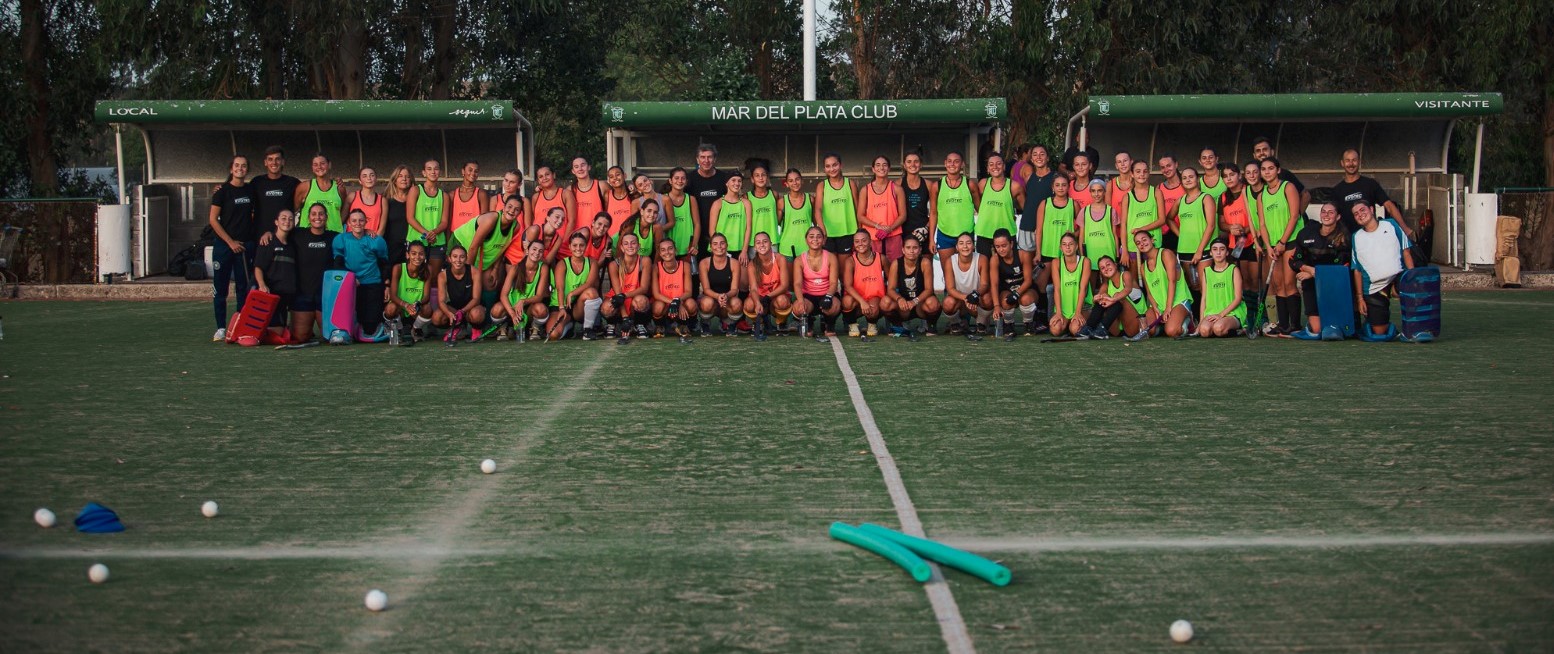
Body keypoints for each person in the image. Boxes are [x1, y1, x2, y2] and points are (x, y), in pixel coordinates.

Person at [209, 155, 259, 341]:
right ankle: (221, 327)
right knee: (220, 288)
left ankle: (240, 325)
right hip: (224, 246)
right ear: (231, 169)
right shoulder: (221, 192)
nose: (240, 168)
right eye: (237, 165)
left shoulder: (251, 190)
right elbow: (213, 220)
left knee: (243, 288)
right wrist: (230, 242)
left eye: (244, 166)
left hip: (244, 246)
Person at [1350, 202, 1414, 339]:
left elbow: (1406, 251)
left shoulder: (1390, 224)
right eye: (1356, 214)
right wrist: (1360, 298)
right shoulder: (1356, 237)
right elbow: (1357, 270)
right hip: (1374, 287)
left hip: (1398, 277)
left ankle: (1415, 327)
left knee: (1410, 288)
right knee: (1380, 333)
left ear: (1372, 209)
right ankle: (1381, 323)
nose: (1360, 214)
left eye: (1362, 210)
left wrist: (1412, 278)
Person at [1290, 203, 1351, 336]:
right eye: (1324, 212)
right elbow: (1293, 261)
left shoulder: (1344, 238)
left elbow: (1341, 268)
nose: (1326, 215)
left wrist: (1312, 273)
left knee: (1334, 331)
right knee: (1317, 330)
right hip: (1311, 283)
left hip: (1333, 285)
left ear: (1338, 216)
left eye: (1331, 212)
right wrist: (1308, 269)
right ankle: (1312, 323)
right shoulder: (1306, 233)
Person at [1258, 156, 1304, 334]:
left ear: (1278, 170)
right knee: (1278, 285)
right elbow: (1262, 224)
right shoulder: (1261, 195)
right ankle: (1283, 324)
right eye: (1264, 169)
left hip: (1289, 242)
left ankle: (1295, 325)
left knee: (1289, 283)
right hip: (1273, 247)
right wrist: (1269, 246)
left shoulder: (1288, 187)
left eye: (1271, 168)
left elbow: (1294, 216)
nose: (1267, 172)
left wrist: (1283, 241)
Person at [331, 208, 391, 341]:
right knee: (347, 321)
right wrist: (351, 278)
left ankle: (380, 324)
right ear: (349, 223)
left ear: (366, 222)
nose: (357, 223)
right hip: (350, 284)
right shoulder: (341, 239)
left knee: (370, 327)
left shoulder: (376, 241)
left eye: (361, 220)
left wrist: (387, 284)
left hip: (372, 284)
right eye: (354, 221)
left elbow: (385, 264)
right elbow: (338, 263)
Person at [1032, 175, 1077, 326]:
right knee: (1042, 286)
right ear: (1052, 187)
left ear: (1068, 187)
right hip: (1047, 252)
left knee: (1063, 286)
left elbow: (1079, 229)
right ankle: (1041, 318)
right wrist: (1038, 252)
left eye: (1064, 185)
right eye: (1057, 185)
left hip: (1066, 255)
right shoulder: (1045, 204)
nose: (1060, 188)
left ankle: (1064, 317)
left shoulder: (1073, 204)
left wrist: (1072, 237)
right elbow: (1039, 230)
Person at [290, 203, 337, 344]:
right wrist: (268, 233)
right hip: (303, 294)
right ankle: (304, 326)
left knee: (329, 338)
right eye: (314, 214)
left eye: (321, 214)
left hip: (326, 296)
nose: (318, 217)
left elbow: (354, 236)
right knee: (300, 338)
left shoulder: (334, 237)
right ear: (308, 217)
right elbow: (280, 231)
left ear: (326, 217)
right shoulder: (298, 235)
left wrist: (366, 231)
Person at [1170, 167, 1219, 304]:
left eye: (1191, 177)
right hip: (1185, 250)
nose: (1188, 180)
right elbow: (1169, 219)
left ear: (1197, 179)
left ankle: (1208, 319)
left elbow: (1211, 225)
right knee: (1193, 287)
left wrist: (1199, 250)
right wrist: (1181, 234)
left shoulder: (1206, 198)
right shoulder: (1180, 201)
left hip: (1203, 251)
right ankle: (1197, 320)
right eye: (1184, 178)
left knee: (1206, 288)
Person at [1133, 230, 1192, 338]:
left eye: (1144, 239)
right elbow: (1149, 292)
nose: (1142, 243)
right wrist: (1155, 307)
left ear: (1152, 240)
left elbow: (1172, 281)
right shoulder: (1143, 267)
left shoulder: (1166, 253)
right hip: (1159, 305)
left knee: (1171, 331)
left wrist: (1168, 308)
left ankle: (1189, 322)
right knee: (1148, 330)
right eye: (1138, 243)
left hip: (1177, 301)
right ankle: (1161, 327)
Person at [407, 159, 451, 299]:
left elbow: (444, 222)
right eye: (429, 169)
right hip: (416, 239)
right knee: (414, 275)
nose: (433, 171)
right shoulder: (415, 190)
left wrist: (434, 233)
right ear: (424, 172)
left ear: (440, 172)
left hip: (437, 241)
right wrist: (426, 233)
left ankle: (430, 312)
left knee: (433, 278)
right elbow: (410, 217)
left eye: (436, 169)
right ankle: (412, 308)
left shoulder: (444, 195)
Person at [1331, 149, 1404, 234]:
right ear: (1342, 163)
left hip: (1371, 236)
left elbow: (1389, 206)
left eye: (1354, 160)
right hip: (1347, 239)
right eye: (1347, 160)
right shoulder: (1337, 190)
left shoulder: (1370, 184)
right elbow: (1333, 216)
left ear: (1359, 162)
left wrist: (1405, 229)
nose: (1351, 164)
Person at [492, 239, 550, 341]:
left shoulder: (543, 268)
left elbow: (539, 296)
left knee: (541, 309)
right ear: (527, 250)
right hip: (512, 308)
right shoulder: (515, 268)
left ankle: (534, 328)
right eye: (534, 249)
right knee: (496, 310)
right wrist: (513, 313)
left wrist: (523, 301)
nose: (537, 253)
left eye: (540, 251)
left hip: (528, 309)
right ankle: (504, 327)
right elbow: (503, 295)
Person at [469, 196, 524, 304]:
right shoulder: (492, 218)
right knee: (468, 283)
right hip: (464, 249)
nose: (512, 211)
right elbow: (473, 247)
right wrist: (468, 272)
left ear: (519, 213)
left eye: (516, 209)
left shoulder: (515, 227)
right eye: (510, 206)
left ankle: (488, 317)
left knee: (490, 282)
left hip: (483, 255)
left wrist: (495, 269)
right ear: (503, 207)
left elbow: (502, 249)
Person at [251, 208, 298, 335]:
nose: (287, 221)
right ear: (276, 222)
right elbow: (258, 267)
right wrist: (261, 284)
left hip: (286, 296)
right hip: (271, 295)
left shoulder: (293, 244)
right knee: (275, 332)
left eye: (290, 219)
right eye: (283, 218)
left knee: (289, 332)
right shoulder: (268, 241)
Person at [790, 227, 841, 342]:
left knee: (834, 306)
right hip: (809, 296)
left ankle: (829, 322)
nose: (815, 239)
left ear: (823, 240)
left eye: (819, 236)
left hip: (827, 293)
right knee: (798, 308)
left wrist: (828, 297)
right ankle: (809, 320)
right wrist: (801, 301)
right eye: (811, 236)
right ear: (806, 240)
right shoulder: (799, 260)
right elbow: (797, 284)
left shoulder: (831, 257)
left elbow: (833, 282)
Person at [932, 151, 978, 277]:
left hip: (966, 235)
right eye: (950, 161)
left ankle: (968, 296)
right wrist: (931, 238)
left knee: (967, 273)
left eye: (956, 161)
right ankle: (949, 295)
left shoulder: (970, 185)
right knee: (948, 273)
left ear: (962, 164)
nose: (953, 164)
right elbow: (934, 213)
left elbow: (981, 210)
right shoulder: (937, 186)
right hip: (945, 235)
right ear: (945, 164)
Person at [549, 232, 602, 341]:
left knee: (591, 292)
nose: (578, 248)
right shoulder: (562, 264)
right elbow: (560, 288)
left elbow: (589, 284)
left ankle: (587, 330)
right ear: (569, 247)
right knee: (553, 335)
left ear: (586, 246)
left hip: (578, 306)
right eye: (574, 245)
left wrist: (572, 293)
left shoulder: (592, 263)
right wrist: (561, 308)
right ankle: (569, 326)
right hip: (561, 304)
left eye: (581, 245)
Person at [885, 235, 941, 337]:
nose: (911, 251)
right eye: (908, 248)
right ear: (903, 250)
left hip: (920, 304)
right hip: (904, 306)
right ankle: (898, 325)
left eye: (915, 248)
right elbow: (891, 289)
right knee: (885, 302)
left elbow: (929, 290)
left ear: (920, 250)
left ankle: (930, 324)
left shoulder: (925, 262)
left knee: (932, 303)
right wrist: (899, 299)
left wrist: (915, 301)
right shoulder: (896, 263)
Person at [841, 229, 892, 338]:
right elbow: (848, 286)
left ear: (870, 242)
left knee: (874, 308)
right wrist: (862, 301)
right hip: (857, 298)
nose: (860, 244)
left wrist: (887, 294)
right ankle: (852, 324)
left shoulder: (881, 258)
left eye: (864, 240)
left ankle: (872, 324)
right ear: (854, 244)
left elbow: (891, 279)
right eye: (857, 241)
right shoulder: (850, 261)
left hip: (874, 297)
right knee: (846, 301)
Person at [603, 232, 653, 341]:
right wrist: (625, 317)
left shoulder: (645, 261)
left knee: (641, 301)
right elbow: (617, 294)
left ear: (639, 246)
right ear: (621, 247)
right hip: (620, 299)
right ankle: (613, 325)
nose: (630, 246)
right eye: (626, 244)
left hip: (634, 296)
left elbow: (644, 288)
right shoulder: (614, 264)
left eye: (633, 243)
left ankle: (639, 324)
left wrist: (624, 295)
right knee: (607, 307)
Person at [1218, 161, 1259, 293]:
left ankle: (1261, 312)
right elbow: (1221, 223)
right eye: (1225, 176)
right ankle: (1247, 311)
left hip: (1253, 240)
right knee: (1243, 282)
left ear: (1239, 175)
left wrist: (1246, 229)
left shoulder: (1248, 190)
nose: (1229, 178)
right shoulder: (1223, 197)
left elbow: (1259, 217)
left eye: (1232, 174)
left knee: (1256, 280)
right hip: (1236, 244)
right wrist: (1230, 228)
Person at [941, 232, 992, 338]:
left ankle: (981, 324)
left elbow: (985, 285)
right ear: (956, 247)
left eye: (968, 243)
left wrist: (975, 295)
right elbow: (950, 289)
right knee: (947, 302)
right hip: (961, 300)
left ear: (973, 246)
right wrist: (966, 298)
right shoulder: (950, 261)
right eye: (961, 243)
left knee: (988, 298)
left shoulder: (981, 259)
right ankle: (956, 323)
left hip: (976, 299)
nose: (965, 246)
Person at [857, 155, 907, 262]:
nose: (881, 168)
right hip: (873, 237)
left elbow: (903, 215)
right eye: (878, 165)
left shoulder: (897, 189)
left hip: (893, 235)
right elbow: (860, 216)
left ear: (889, 168)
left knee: (895, 269)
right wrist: (877, 226)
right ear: (873, 169)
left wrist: (890, 228)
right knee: (874, 270)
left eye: (885, 165)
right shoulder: (865, 190)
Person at [1081, 255, 1144, 339]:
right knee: (1102, 299)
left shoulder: (1125, 274)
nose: (1106, 268)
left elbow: (1127, 289)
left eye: (1108, 264)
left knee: (1118, 296)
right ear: (1101, 272)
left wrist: (1113, 299)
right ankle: (1089, 327)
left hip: (1137, 324)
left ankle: (1102, 328)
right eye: (1102, 268)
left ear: (1115, 264)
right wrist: (1096, 299)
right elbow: (1098, 297)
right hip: (1118, 329)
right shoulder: (1106, 284)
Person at [686, 145, 733, 255]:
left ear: (715, 159)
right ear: (697, 159)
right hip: (695, 235)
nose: (706, 161)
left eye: (709, 157)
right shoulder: (689, 179)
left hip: (719, 236)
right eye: (702, 157)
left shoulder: (724, 178)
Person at [988, 229, 1036, 337]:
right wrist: (996, 306)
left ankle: (1029, 323)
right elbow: (994, 284)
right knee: (1005, 301)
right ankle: (1008, 324)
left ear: (1011, 243)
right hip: (1007, 290)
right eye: (997, 246)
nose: (1001, 249)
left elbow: (1028, 281)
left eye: (1004, 245)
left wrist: (1017, 294)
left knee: (1026, 299)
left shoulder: (1023, 255)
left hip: (1025, 289)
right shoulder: (994, 260)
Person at [743, 231, 791, 340]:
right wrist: (757, 302)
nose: (762, 245)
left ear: (771, 244)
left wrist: (768, 297)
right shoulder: (752, 264)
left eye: (765, 242)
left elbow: (784, 285)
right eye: (758, 243)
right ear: (754, 247)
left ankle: (781, 322)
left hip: (775, 297)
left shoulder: (779, 259)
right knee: (749, 305)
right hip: (761, 298)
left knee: (783, 301)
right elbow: (754, 289)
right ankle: (759, 322)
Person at [974, 152, 1023, 256]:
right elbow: (978, 204)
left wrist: (1010, 214)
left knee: (1006, 270)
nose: (995, 167)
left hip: (1006, 235)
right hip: (984, 233)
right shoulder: (983, 184)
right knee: (984, 270)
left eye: (998, 164)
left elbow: (1025, 208)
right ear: (987, 168)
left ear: (1004, 166)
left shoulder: (1014, 186)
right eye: (991, 164)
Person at [434, 244, 485, 342]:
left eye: (462, 257)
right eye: (455, 256)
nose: (458, 260)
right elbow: (441, 301)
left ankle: (476, 328)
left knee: (477, 314)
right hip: (454, 308)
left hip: (471, 307)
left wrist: (462, 311)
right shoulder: (442, 275)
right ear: (449, 258)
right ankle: (458, 327)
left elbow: (476, 299)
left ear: (466, 259)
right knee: (437, 317)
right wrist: (449, 314)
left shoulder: (474, 272)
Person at [1195, 239, 1245, 338]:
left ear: (1227, 253)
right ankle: (1212, 326)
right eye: (1214, 249)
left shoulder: (1233, 270)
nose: (1218, 252)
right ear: (1210, 252)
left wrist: (1221, 315)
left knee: (1218, 328)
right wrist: (1201, 322)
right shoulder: (1206, 272)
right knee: (1204, 331)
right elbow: (1204, 298)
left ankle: (1240, 330)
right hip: (1212, 313)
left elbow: (1238, 298)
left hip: (1232, 313)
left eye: (1222, 249)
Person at [385, 241, 432, 342]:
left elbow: (427, 296)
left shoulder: (428, 269)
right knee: (390, 309)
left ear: (424, 256)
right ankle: (400, 329)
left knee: (428, 309)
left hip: (416, 308)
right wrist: (406, 305)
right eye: (414, 253)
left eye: (421, 254)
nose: (417, 257)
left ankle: (416, 329)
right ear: (407, 255)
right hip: (401, 307)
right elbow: (393, 295)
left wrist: (417, 304)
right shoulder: (398, 268)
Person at [697, 233, 743, 334]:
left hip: (727, 299)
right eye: (715, 244)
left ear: (727, 245)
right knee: (706, 303)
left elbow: (734, 289)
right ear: (710, 247)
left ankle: (730, 323)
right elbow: (706, 289)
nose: (719, 247)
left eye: (722, 243)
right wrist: (718, 296)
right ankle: (705, 323)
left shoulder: (734, 263)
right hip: (711, 299)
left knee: (737, 303)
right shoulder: (704, 263)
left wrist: (725, 296)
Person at [649, 238, 695, 341]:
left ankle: (683, 325)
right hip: (665, 304)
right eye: (663, 250)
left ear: (675, 250)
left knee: (691, 304)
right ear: (660, 253)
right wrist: (674, 302)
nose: (667, 252)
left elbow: (688, 292)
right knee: (657, 306)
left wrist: (678, 301)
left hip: (680, 302)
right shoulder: (656, 267)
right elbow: (656, 294)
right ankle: (660, 326)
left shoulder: (685, 266)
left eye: (670, 248)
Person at [250, 145, 301, 236]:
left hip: (286, 237)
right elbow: (239, 192)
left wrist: (334, 183)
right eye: (270, 159)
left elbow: (311, 191)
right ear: (265, 162)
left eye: (277, 159)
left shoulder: (293, 183)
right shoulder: (256, 182)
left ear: (283, 162)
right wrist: (220, 188)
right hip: (260, 237)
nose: (274, 162)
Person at [1048, 233, 1091, 337]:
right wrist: (1058, 312)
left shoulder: (1085, 261)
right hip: (1063, 307)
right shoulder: (1056, 262)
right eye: (1064, 244)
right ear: (1060, 247)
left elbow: (1083, 288)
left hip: (1082, 306)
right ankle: (1066, 324)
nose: (1067, 247)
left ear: (1076, 246)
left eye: (1071, 244)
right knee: (1055, 330)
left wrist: (1078, 313)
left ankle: (1071, 325)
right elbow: (1057, 289)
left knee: (1075, 330)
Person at [1250, 136, 1309, 211]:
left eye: (1265, 149)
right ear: (1254, 155)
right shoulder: (1252, 178)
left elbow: (1306, 195)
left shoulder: (1284, 174)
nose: (1261, 153)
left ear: (1272, 152)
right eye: (1258, 151)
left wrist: (1297, 216)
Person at [815, 152, 858, 255]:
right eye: (828, 166)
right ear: (824, 169)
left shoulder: (850, 183)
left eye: (835, 165)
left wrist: (859, 230)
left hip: (848, 232)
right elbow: (818, 209)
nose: (832, 169)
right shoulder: (822, 186)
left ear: (841, 165)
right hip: (828, 234)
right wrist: (822, 229)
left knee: (844, 268)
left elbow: (858, 208)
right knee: (830, 268)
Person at [1017, 145, 1057, 254]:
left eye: (1042, 154)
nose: (1038, 157)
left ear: (1048, 158)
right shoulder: (1029, 177)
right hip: (1027, 225)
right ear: (1031, 159)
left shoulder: (1055, 178)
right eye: (1035, 154)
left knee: (1044, 263)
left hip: (1046, 228)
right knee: (1027, 264)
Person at [1123, 160, 1165, 264]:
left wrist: (1141, 230)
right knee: (1134, 279)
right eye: (1138, 171)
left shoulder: (1156, 192)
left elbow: (1162, 220)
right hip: (1132, 245)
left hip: (1153, 242)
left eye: (1145, 171)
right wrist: (1124, 250)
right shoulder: (1127, 197)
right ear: (1132, 174)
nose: (1142, 174)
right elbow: (1123, 224)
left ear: (1148, 173)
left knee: (1153, 277)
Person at [294, 153, 347, 232]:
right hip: (309, 236)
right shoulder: (304, 187)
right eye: (315, 164)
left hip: (334, 235)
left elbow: (344, 211)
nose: (319, 167)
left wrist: (337, 225)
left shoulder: (339, 187)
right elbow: (293, 209)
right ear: (312, 168)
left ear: (329, 165)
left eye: (322, 163)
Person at [1080, 179, 1119, 279]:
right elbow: (1081, 236)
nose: (1096, 194)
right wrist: (1082, 256)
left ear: (1105, 192)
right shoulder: (1084, 211)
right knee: (1091, 285)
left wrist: (1117, 255)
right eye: (1093, 191)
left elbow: (1115, 235)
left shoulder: (1111, 211)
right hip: (1091, 254)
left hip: (1108, 252)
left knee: (1109, 285)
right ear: (1090, 192)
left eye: (1100, 190)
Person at [898, 152, 935, 256]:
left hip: (923, 231)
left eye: (916, 161)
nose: (913, 165)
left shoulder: (928, 184)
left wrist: (926, 229)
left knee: (926, 265)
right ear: (904, 165)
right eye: (909, 162)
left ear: (921, 164)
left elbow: (935, 212)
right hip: (903, 232)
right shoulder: (897, 184)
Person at [709, 172, 753, 260]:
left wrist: (744, 250)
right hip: (721, 250)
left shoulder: (746, 203)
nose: (736, 183)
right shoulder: (718, 203)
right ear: (727, 183)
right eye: (733, 180)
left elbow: (748, 228)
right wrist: (719, 249)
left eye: (739, 181)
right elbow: (712, 230)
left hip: (740, 249)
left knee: (741, 274)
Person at [449, 161, 489, 252]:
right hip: (456, 238)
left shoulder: (481, 194)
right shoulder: (452, 194)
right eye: (470, 170)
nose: (473, 173)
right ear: (463, 171)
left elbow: (485, 222)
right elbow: (449, 221)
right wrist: (448, 241)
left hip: (473, 238)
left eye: (476, 171)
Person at [663, 167, 701, 259]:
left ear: (686, 181)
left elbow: (697, 224)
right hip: (668, 250)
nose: (680, 181)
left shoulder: (691, 199)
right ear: (670, 181)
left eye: (683, 178)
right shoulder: (663, 199)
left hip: (687, 249)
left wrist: (694, 245)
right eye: (676, 178)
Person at [381, 165, 414, 265]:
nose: (404, 179)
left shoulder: (417, 200)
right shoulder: (386, 200)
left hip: (411, 246)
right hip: (391, 246)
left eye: (407, 176)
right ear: (394, 180)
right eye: (400, 176)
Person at [777, 168, 813, 258]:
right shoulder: (782, 202)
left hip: (807, 247)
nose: (795, 183)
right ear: (786, 184)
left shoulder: (810, 199)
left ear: (802, 181)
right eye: (791, 180)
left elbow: (816, 223)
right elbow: (776, 224)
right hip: (787, 248)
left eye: (797, 179)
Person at [745, 165, 779, 255]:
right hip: (754, 242)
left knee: (773, 268)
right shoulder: (747, 197)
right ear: (752, 179)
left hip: (772, 241)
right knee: (755, 268)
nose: (760, 178)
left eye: (763, 175)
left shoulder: (774, 195)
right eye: (757, 175)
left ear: (767, 178)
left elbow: (778, 217)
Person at [528, 166, 573, 232]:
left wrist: (564, 241)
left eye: (547, 174)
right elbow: (533, 219)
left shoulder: (565, 194)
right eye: (541, 176)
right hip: (539, 240)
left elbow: (572, 221)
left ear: (554, 175)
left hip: (560, 240)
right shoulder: (536, 197)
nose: (544, 178)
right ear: (538, 181)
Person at [1155, 154, 1185, 251]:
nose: (1166, 169)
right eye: (1162, 167)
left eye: (1169, 165)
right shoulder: (1159, 188)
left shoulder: (1186, 185)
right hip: (1165, 234)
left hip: (1182, 232)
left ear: (1176, 164)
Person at [569, 156, 604, 234]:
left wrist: (631, 188)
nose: (580, 169)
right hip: (577, 237)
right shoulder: (570, 190)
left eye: (583, 165)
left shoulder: (601, 186)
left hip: (597, 234)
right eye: (576, 167)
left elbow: (618, 195)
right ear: (573, 171)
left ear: (589, 167)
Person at [347, 167, 386, 237]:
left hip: (372, 241)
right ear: (360, 181)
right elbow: (342, 219)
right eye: (364, 176)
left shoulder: (382, 200)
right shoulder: (352, 196)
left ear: (376, 179)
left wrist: (374, 243)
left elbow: (382, 228)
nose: (369, 178)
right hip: (352, 241)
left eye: (372, 175)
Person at [603, 165, 636, 241]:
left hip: (630, 240)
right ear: (609, 180)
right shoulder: (607, 196)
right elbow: (605, 217)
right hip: (612, 240)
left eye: (618, 174)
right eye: (611, 177)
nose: (615, 178)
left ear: (624, 176)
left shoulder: (633, 195)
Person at [1107, 151, 1134, 220]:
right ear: (1116, 166)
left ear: (1131, 162)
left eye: (1125, 161)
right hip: (1116, 227)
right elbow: (1107, 211)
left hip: (1135, 227)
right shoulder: (1111, 184)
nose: (1122, 164)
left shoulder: (1138, 182)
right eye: (1119, 162)